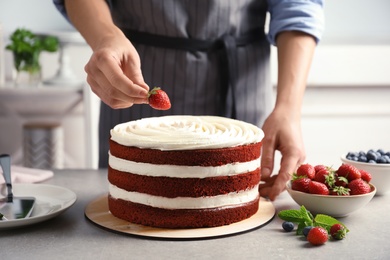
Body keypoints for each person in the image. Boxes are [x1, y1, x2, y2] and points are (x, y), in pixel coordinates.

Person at [54, 0, 324, 201]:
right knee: (137, 204)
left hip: (240, 80)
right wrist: (106, 36)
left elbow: (298, 5)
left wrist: (288, 108)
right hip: (137, 74)